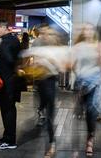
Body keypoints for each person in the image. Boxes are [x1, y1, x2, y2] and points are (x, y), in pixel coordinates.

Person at [21, 25, 68, 158]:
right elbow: (25, 55)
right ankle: (41, 110)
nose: (47, 36)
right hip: (40, 81)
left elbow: (65, 65)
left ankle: (51, 145)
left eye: (50, 34)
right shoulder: (39, 46)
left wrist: (53, 62)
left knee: (50, 115)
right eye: (45, 34)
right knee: (42, 104)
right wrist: (28, 66)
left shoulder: (58, 50)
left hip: (51, 82)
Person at [72, 24, 101, 156]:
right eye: (86, 29)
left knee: (91, 112)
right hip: (81, 83)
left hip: (95, 83)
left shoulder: (99, 45)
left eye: (91, 29)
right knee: (79, 113)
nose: (89, 32)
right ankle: (78, 141)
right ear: (84, 32)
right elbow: (73, 64)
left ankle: (90, 140)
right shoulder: (78, 47)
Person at [0, 19, 21, 150]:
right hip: (12, 80)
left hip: (7, 80)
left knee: (7, 109)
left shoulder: (5, 42)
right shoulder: (14, 39)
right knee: (9, 109)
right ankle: (8, 136)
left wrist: (0, 53)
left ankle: (10, 140)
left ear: (4, 28)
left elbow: (9, 59)